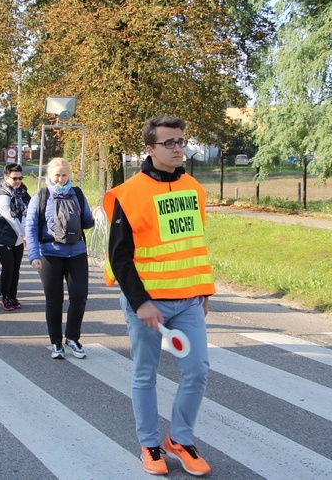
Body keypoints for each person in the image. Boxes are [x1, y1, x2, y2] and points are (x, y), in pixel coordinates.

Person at [103, 116, 215, 476]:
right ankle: (150, 445)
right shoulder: (129, 193)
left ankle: (180, 441)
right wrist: (141, 303)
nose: (178, 147)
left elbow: (193, 245)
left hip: (187, 300)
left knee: (197, 370)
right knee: (145, 374)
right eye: (169, 142)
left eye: (181, 140)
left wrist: (203, 289)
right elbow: (118, 257)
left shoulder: (194, 188)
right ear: (149, 149)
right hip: (147, 301)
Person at [24, 157, 93, 359]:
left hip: (77, 252)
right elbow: (30, 226)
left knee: (79, 296)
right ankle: (56, 342)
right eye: (57, 175)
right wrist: (34, 255)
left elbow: (87, 222)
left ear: (69, 175)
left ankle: (72, 338)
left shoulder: (77, 194)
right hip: (50, 254)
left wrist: (96, 216)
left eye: (64, 175)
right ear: (49, 176)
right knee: (54, 300)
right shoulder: (41, 196)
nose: (61, 179)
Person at [0, 163, 29, 311]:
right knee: (8, 268)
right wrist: (24, 234)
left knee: (16, 268)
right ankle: (5, 297)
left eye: (20, 178)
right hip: (2, 236)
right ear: (6, 177)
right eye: (14, 178)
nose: (18, 181)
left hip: (17, 238)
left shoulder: (23, 192)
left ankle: (13, 296)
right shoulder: (2, 195)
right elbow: (10, 217)